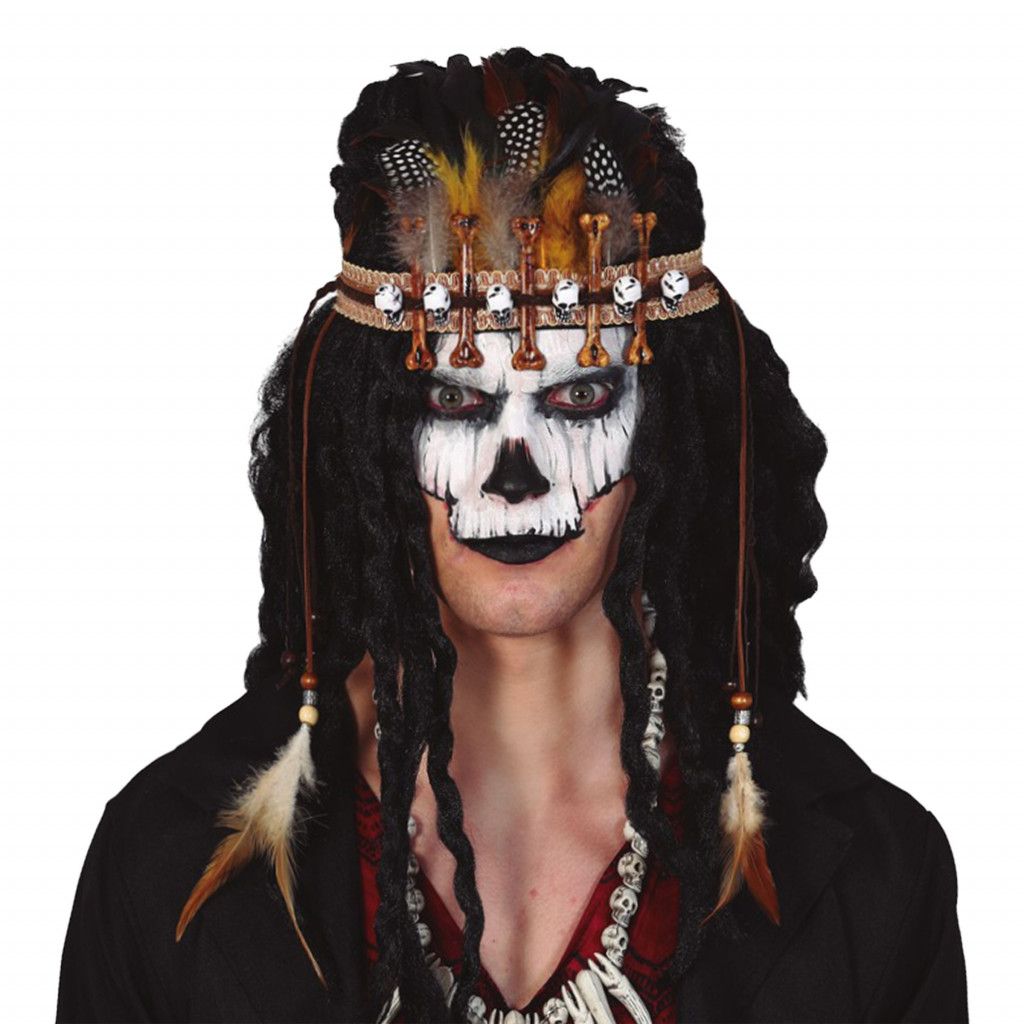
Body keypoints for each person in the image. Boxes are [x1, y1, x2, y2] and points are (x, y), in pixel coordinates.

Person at [56, 49, 969, 1023]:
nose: (515, 472)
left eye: (579, 399)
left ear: (665, 426)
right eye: (453, 402)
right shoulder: (165, 861)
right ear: (370, 434)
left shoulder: (874, 872)